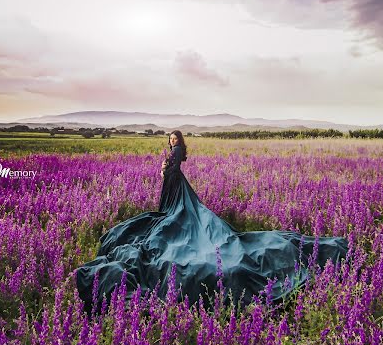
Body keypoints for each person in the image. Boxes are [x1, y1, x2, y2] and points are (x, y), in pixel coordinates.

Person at [76, 131, 348, 316]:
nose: (172, 141)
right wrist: (164, 169)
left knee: (182, 218)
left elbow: (171, 167)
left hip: (174, 182)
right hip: (173, 184)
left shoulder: (176, 151)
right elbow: (169, 168)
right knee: (170, 212)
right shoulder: (174, 150)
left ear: (179, 140)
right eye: (170, 138)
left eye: (174, 138)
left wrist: (164, 168)